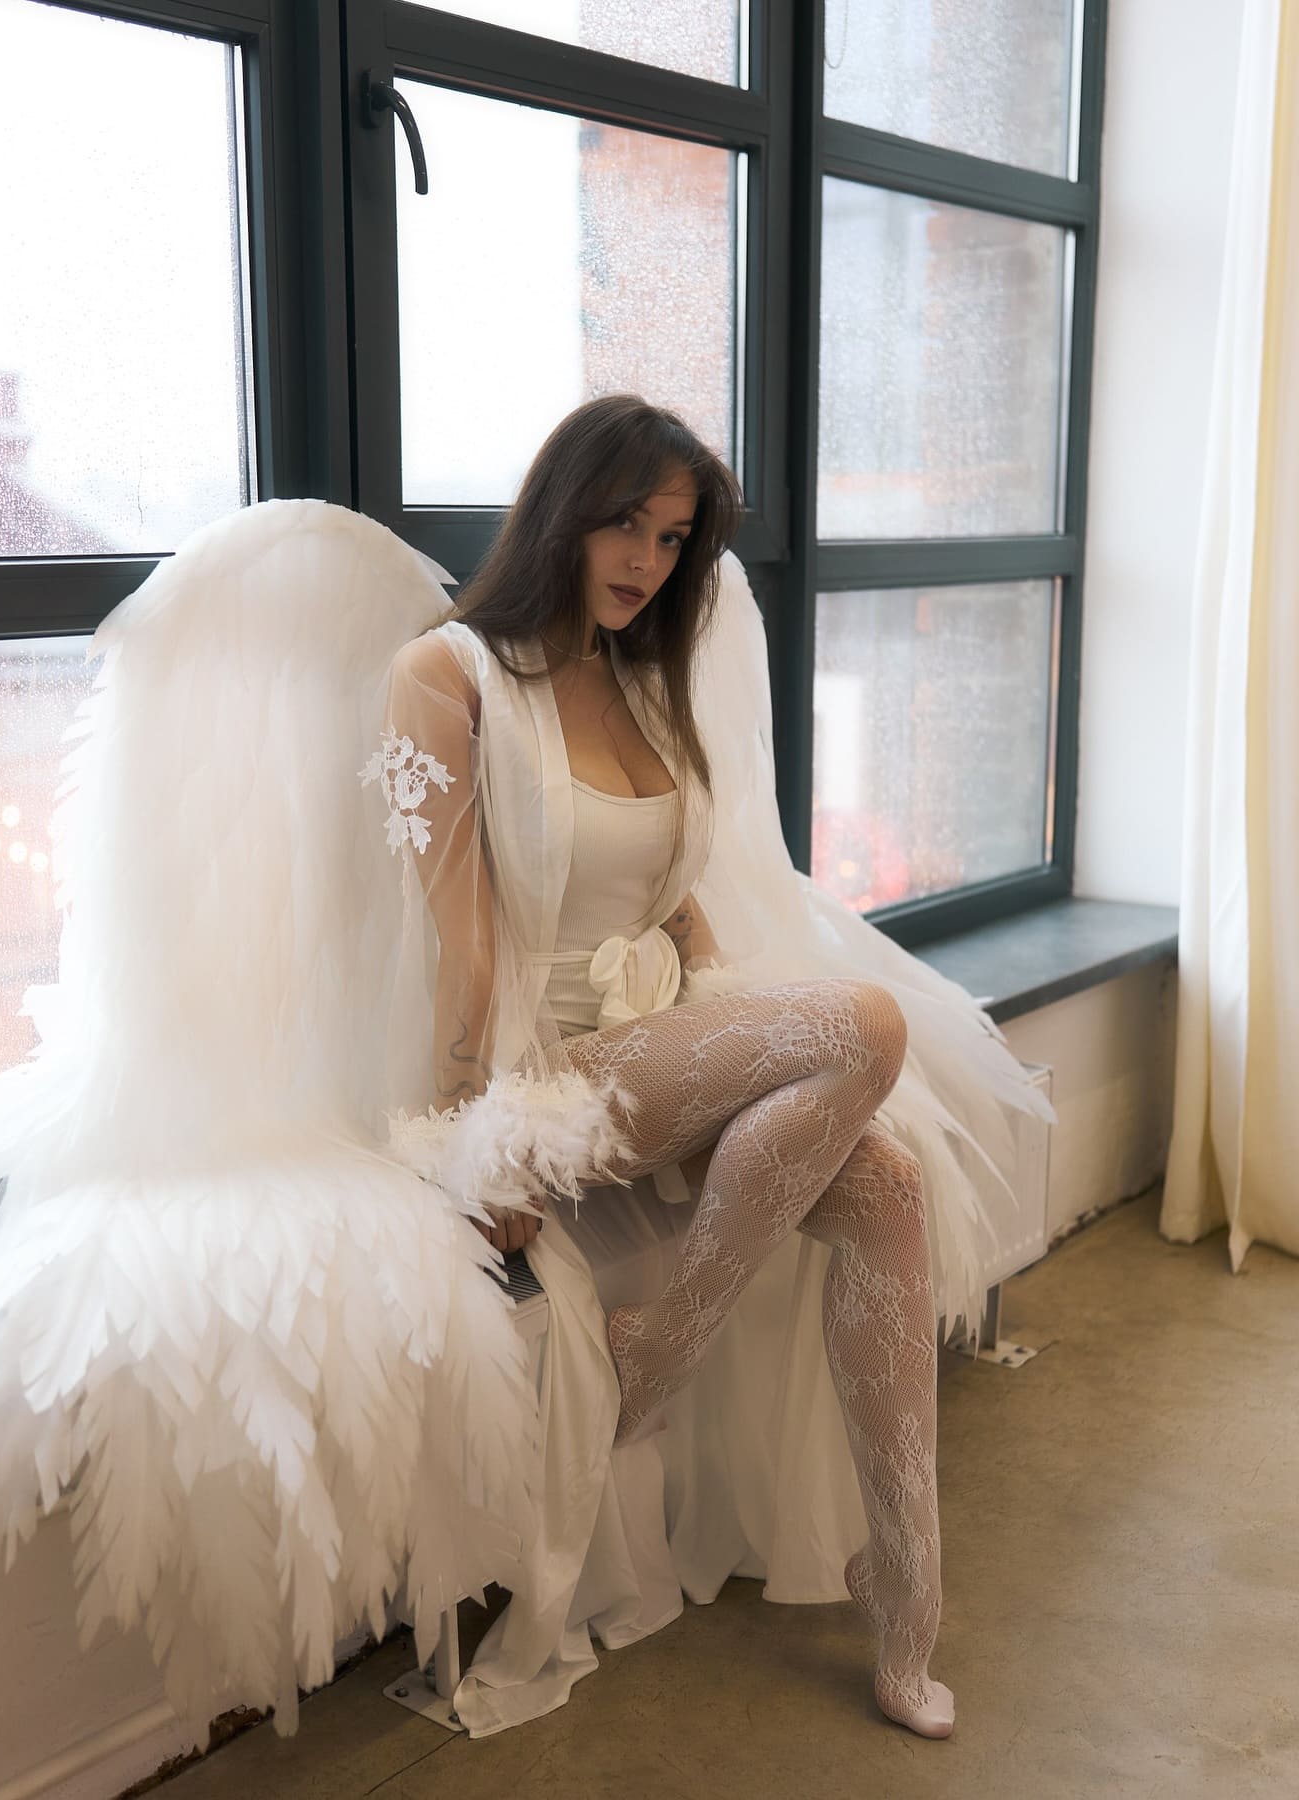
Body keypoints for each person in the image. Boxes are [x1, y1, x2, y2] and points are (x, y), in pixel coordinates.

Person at [374, 394, 953, 1737]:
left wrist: (734, 1034)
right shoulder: (447, 677)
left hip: (661, 1041)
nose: (647, 559)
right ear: (562, 513)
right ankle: (665, 1347)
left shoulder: (642, 672)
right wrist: (474, 1143)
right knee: (866, 1025)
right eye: (625, 524)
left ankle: (904, 1588)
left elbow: (671, 899)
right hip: (547, 1071)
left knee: (890, 1188)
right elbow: (461, 948)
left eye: (674, 536)